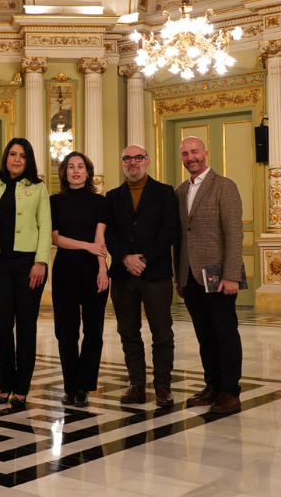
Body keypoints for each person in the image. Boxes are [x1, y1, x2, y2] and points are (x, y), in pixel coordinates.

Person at [173, 137, 244, 414]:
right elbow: (181, 238)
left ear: (205, 153)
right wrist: (178, 277)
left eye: (194, 152)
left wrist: (231, 276)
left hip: (218, 275)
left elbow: (234, 234)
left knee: (225, 333)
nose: (191, 157)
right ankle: (212, 385)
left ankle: (231, 391)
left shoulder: (224, 186)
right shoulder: (180, 192)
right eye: (185, 154)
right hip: (190, 277)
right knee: (204, 335)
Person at [105, 145, 180, 408]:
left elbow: (170, 231)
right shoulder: (112, 197)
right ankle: (136, 384)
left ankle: (162, 386)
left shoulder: (164, 192)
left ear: (147, 161)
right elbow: (109, 233)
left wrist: (143, 259)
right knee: (128, 332)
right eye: (127, 158)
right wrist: (126, 257)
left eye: (138, 157)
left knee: (162, 332)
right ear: (122, 163)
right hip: (123, 276)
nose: (132, 162)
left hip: (155, 273)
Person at [0, 138, 51, 409]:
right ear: (5, 157)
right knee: (1, 326)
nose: (16, 159)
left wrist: (41, 262)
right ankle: (4, 385)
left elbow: (45, 226)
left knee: (25, 326)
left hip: (28, 266)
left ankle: (21, 388)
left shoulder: (38, 188)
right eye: (12, 154)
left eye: (22, 156)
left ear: (28, 160)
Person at [49, 151, 108, 408]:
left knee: (93, 331)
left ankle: (84, 386)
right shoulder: (55, 201)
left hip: (93, 270)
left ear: (88, 172)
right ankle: (69, 386)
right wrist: (86, 246)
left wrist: (102, 270)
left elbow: (100, 240)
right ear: (64, 172)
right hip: (65, 269)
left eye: (80, 166)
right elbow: (57, 239)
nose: (75, 170)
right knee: (67, 332)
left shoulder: (99, 201)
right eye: (70, 166)